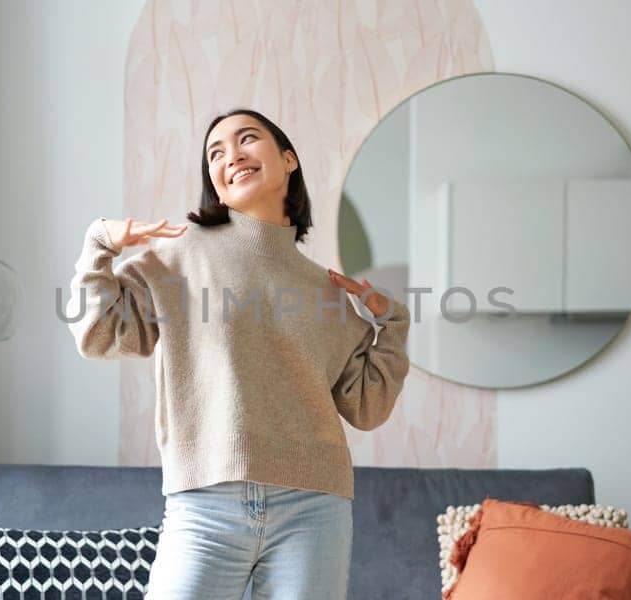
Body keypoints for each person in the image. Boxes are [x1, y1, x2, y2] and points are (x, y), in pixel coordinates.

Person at [65, 108, 412, 599]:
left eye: (247, 139)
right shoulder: (176, 258)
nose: (232, 156)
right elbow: (98, 333)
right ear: (215, 181)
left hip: (315, 509)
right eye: (216, 152)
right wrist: (98, 245)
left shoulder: (327, 292)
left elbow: (367, 408)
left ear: (288, 159)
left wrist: (393, 324)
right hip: (204, 506)